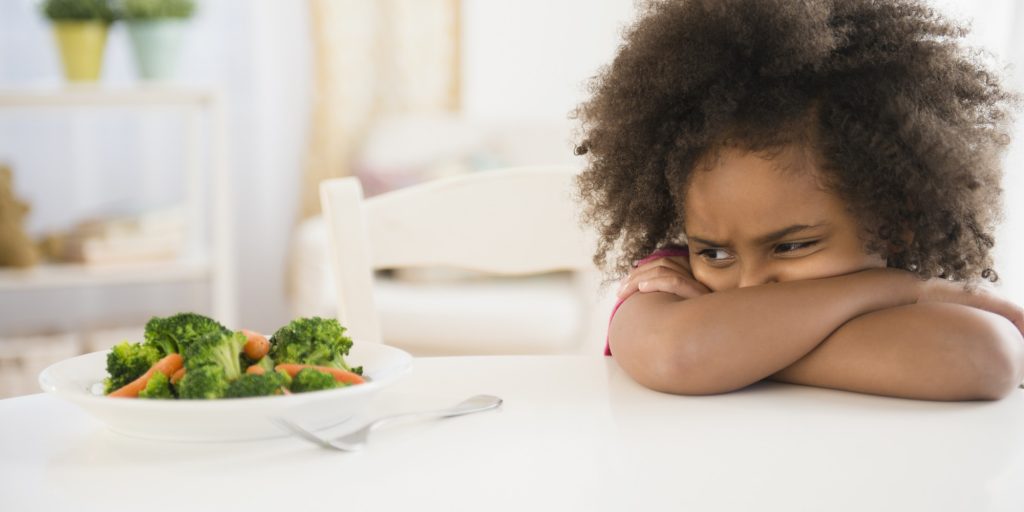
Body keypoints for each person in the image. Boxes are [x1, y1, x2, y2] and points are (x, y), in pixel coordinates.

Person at [573, 0, 1024, 400]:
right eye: (714, 253)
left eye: (790, 246)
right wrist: (903, 289)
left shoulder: (699, 307)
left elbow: (982, 357)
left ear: (896, 224)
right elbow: (679, 354)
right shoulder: (666, 281)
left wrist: (732, 350)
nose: (750, 284)